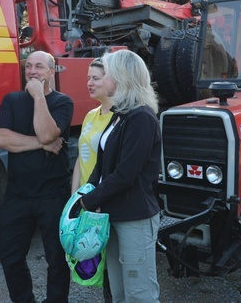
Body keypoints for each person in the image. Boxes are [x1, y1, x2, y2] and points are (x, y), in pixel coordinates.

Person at [80, 49, 161, 302]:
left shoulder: (141, 117)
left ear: (122, 77)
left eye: (107, 74)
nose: (101, 80)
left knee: (140, 294)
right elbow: (102, 164)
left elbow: (125, 174)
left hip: (134, 217)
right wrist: (87, 192)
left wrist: (88, 201)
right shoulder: (121, 116)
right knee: (119, 292)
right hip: (112, 214)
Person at [0, 50, 74, 303]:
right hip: (18, 193)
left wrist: (39, 96)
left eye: (39, 67)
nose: (32, 71)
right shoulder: (12, 100)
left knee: (57, 259)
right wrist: (41, 144)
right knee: (10, 256)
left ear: (51, 72)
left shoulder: (63, 102)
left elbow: (49, 134)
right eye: (28, 66)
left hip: (53, 193)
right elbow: (2, 138)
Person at [70, 57, 114, 302]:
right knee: (94, 259)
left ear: (111, 80)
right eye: (88, 77)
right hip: (87, 200)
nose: (89, 82)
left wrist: (97, 197)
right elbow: (80, 158)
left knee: (109, 263)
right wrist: (74, 196)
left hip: (103, 199)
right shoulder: (90, 115)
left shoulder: (119, 117)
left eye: (95, 78)